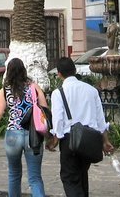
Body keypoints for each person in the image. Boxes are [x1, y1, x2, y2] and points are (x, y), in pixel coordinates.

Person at [0, 57, 48, 197]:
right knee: (35, 178)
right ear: (23, 71)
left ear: (8, 72)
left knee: (14, 174)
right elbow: (44, 109)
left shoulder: (5, 90)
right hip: (32, 135)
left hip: (12, 135)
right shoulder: (34, 87)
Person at [47, 56, 114, 197]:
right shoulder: (91, 90)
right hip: (89, 140)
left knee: (70, 178)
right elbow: (100, 119)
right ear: (75, 70)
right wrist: (105, 141)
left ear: (59, 74)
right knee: (82, 175)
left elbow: (58, 120)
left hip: (69, 140)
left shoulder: (58, 93)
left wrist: (55, 139)